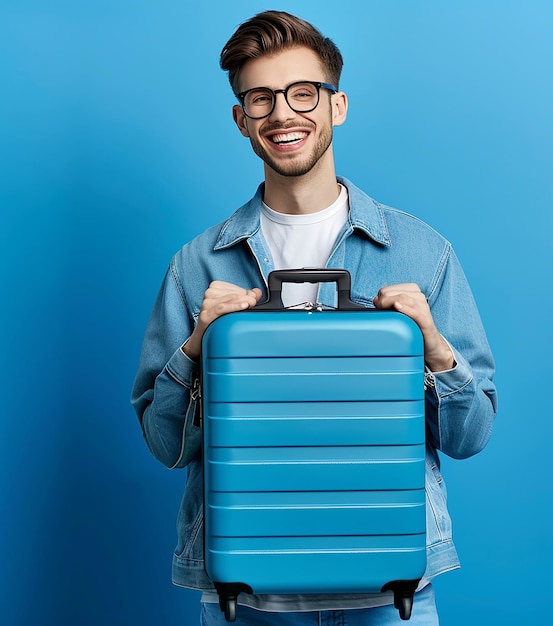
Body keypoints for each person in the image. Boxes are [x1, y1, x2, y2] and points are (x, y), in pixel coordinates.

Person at [131, 10, 497, 625]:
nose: (283, 114)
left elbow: (471, 437)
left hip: (390, 596)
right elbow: (165, 447)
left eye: (303, 93)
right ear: (240, 119)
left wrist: (435, 349)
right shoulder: (196, 266)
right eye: (260, 98)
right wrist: (196, 345)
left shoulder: (421, 254)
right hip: (246, 600)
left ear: (337, 106)